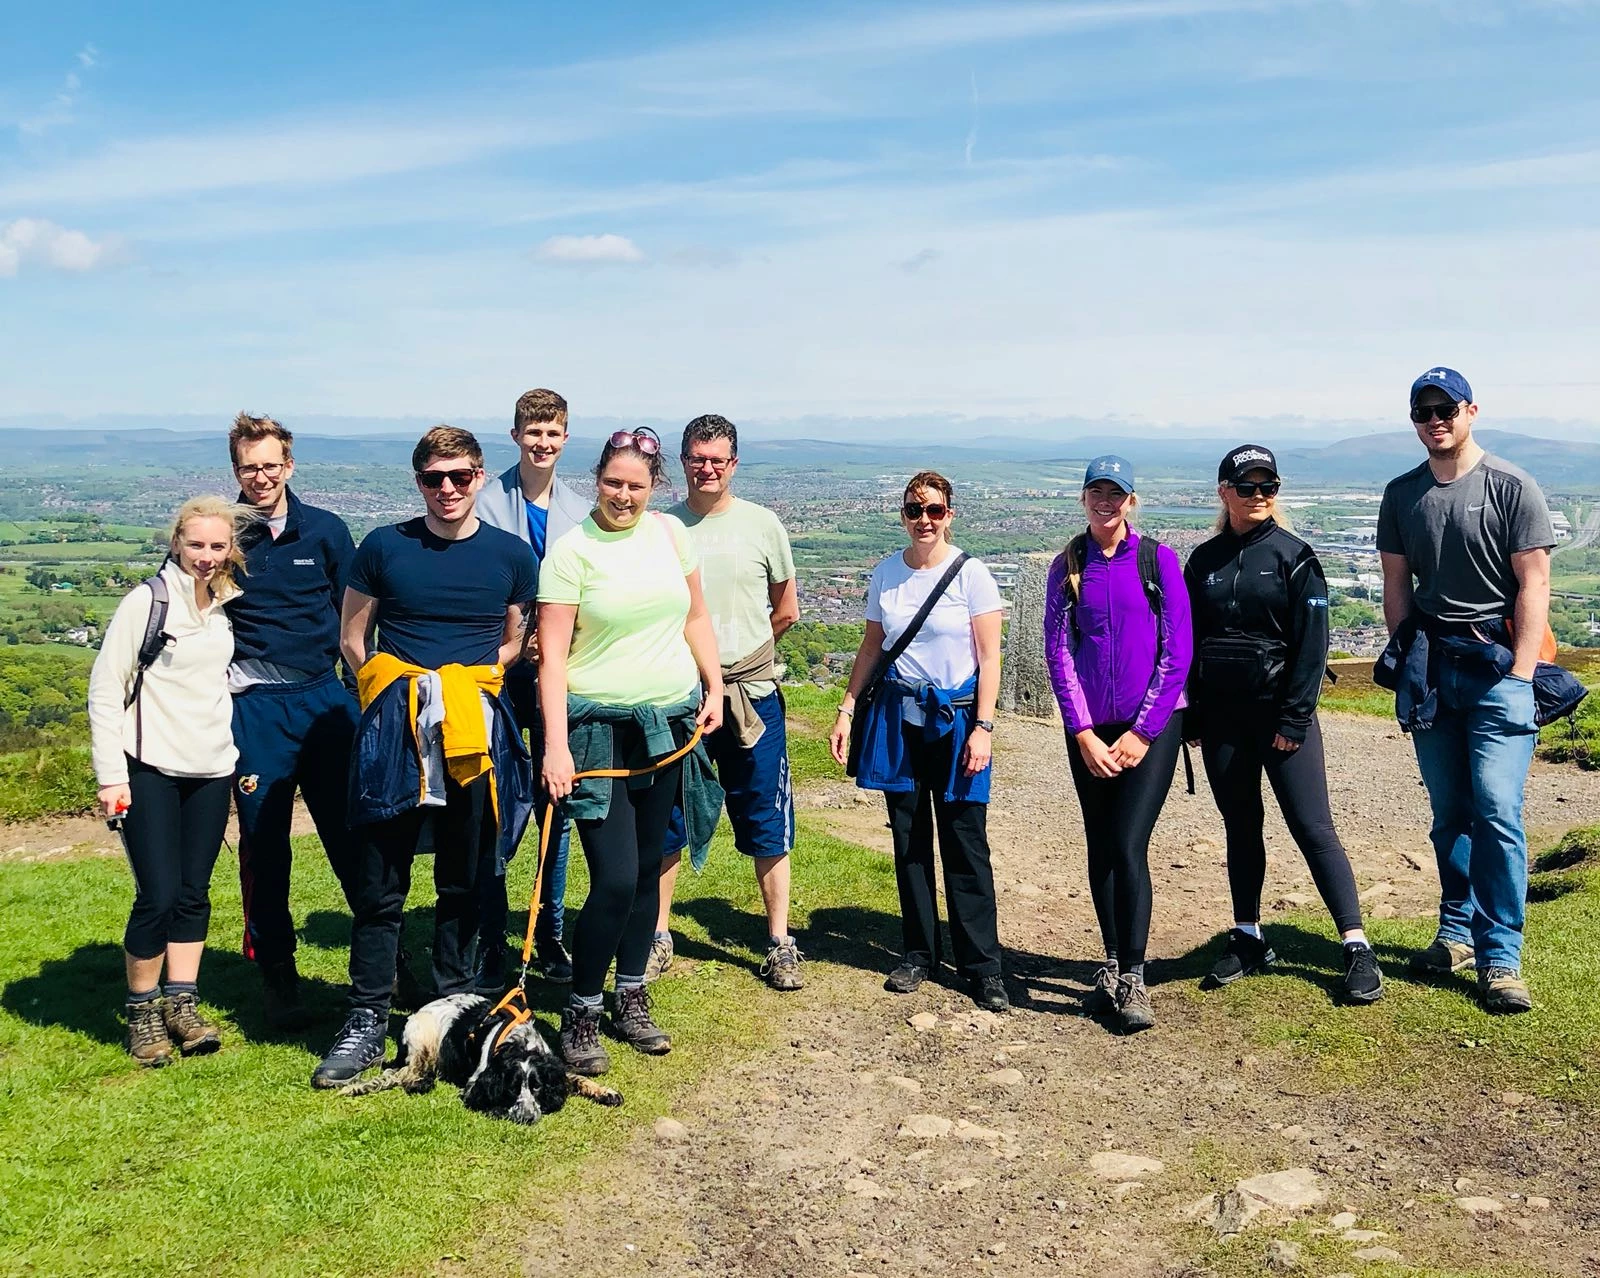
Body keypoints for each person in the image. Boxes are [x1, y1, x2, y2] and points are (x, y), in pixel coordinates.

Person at [312, 427, 538, 1088]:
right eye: (435, 478)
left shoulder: (511, 555)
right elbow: (353, 636)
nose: (448, 489)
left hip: (474, 729)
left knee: (464, 881)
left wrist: (461, 684)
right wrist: (397, 692)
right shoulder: (384, 547)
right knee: (381, 884)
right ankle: (366, 1020)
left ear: (478, 477)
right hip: (397, 729)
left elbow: (512, 641)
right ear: (418, 481)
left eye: (461, 477)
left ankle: (454, 1016)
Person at [538, 427, 725, 1075]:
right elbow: (553, 659)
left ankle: (631, 994)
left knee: (648, 872)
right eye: (614, 482)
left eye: (636, 485)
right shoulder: (571, 552)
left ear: (655, 487)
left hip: (669, 723)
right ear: (597, 480)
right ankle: (582, 1009)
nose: (624, 495)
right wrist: (556, 746)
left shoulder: (673, 536)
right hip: (598, 733)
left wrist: (715, 684)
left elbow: (695, 616)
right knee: (615, 878)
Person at [1377, 369, 1554, 1014]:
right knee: (1449, 813)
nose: (1434, 419)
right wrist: (1406, 658)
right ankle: (1455, 930)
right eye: (1422, 410)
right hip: (1432, 670)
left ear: (1471, 410)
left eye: (1445, 408)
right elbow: (1397, 584)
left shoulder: (1512, 486)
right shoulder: (1402, 494)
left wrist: (1523, 673)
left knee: (1498, 811)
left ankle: (1501, 955)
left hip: (1497, 668)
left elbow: (1534, 583)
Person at [1184, 445, 1383, 1004]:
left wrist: (1294, 720)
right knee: (1240, 825)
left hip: (1279, 716)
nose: (1259, 495)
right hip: (1223, 719)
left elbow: (1312, 648)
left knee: (1313, 828)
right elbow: (1188, 643)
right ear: (1224, 491)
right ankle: (1248, 935)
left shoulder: (1296, 556)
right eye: (1246, 486)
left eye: (1267, 486)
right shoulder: (1202, 562)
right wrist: (1194, 716)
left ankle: (1356, 945)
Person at [829, 471, 1008, 1012]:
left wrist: (984, 726)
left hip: (956, 721)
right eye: (914, 510)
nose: (924, 520)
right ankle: (918, 952)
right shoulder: (886, 574)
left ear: (950, 513)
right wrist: (846, 708)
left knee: (964, 839)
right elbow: (871, 647)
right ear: (903, 515)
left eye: (934, 509)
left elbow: (990, 657)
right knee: (908, 837)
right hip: (898, 718)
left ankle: (981, 965)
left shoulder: (972, 576)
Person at [88, 496, 252, 1066]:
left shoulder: (227, 605)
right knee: (156, 896)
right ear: (176, 542)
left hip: (210, 769)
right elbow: (107, 690)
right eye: (196, 545)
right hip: (148, 768)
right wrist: (112, 776)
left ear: (230, 549)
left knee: (193, 894)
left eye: (217, 546)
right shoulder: (147, 603)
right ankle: (142, 1011)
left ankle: (182, 1004)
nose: (206, 557)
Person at [650, 414, 803, 990]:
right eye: (697, 458)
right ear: (682, 461)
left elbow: (785, 608)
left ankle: (778, 939)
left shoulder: (763, 526)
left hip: (751, 695)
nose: (707, 468)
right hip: (677, 695)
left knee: (766, 814)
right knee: (667, 814)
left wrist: (737, 663)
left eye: (718, 459)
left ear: (734, 464)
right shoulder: (662, 527)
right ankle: (660, 935)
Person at [224, 413, 362, 1030]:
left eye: (270, 465)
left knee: (353, 838)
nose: (260, 477)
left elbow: (354, 616)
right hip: (253, 706)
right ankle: (278, 973)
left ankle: (380, 962)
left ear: (290, 466)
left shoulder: (327, 532)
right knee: (263, 844)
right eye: (249, 467)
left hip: (323, 699)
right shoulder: (221, 536)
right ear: (236, 471)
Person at [1044, 456, 1191, 1033]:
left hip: (1150, 727)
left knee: (1129, 843)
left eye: (1116, 493)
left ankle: (1134, 973)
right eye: (1096, 492)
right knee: (1101, 843)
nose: (1106, 502)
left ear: (1131, 501)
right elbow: (1058, 652)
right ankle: (1110, 960)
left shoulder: (1159, 561)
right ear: (1084, 499)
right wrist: (1081, 730)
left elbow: (1177, 653)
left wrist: (1142, 732)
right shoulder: (1068, 565)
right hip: (1089, 731)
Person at [475, 388, 593, 988]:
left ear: (565, 437)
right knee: (493, 799)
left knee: (557, 798)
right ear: (516, 434)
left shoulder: (579, 507)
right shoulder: (486, 499)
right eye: (533, 432)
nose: (543, 443)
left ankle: (548, 929)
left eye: (553, 433)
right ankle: (491, 929)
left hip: (558, 669)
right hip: (499, 666)